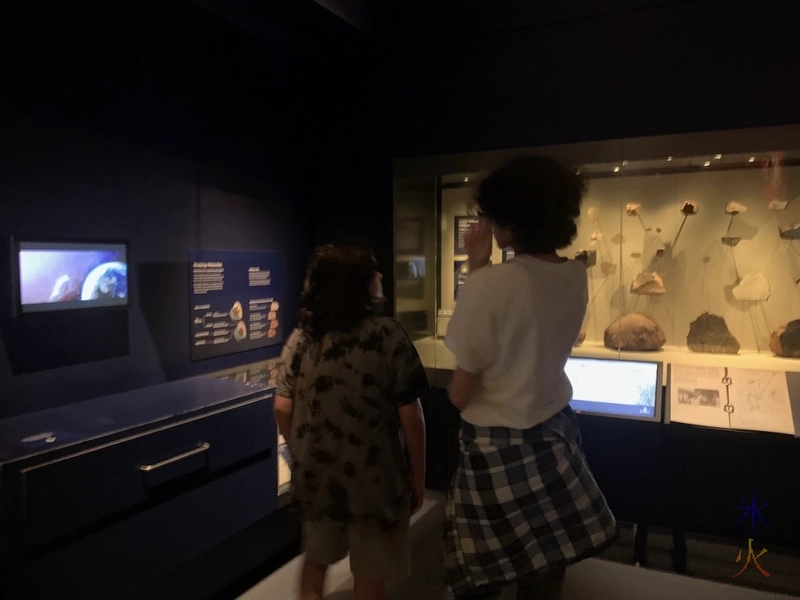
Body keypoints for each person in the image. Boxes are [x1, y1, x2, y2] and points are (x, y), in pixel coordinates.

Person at [443, 155, 618, 599]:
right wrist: (482, 268)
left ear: (510, 220)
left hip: (496, 452)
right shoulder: (574, 274)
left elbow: (461, 394)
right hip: (554, 437)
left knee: (483, 576)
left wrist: (478, 268)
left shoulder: (489, 284)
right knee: (545, 570)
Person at [274, 244, 428, 600]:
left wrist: (300, 454)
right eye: (373, 272)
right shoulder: (388, 336)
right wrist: (417, 476)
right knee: (370, 570)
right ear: (360, 284)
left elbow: (281, 407)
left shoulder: (302, 338)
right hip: (376, 479)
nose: (380, 276)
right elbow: (411, 415)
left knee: (316, 558)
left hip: (318, 476)